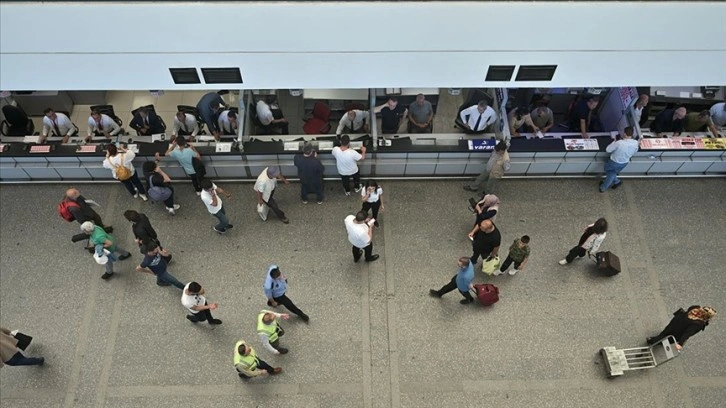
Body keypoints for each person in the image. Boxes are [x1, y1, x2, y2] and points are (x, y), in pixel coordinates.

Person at [646, 306, 716, 351]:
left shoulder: (695, 307)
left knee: (664, 332)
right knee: (669, 340)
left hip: (675, 322)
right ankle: (653, 342)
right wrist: (680, 344)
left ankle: (653, 340)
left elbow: (688, 309)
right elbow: (687, 333)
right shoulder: (699, 324)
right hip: (678, 332)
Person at [599, 126, 639, 192]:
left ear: (625, 134)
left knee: (610, 174)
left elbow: (608, 150)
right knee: (613, 173)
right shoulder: (635, 143)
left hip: (614, 161)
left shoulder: (619, 143)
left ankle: (603, 188)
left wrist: (614, 141)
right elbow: (635, 151)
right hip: (624, 162)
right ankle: (617, 182)